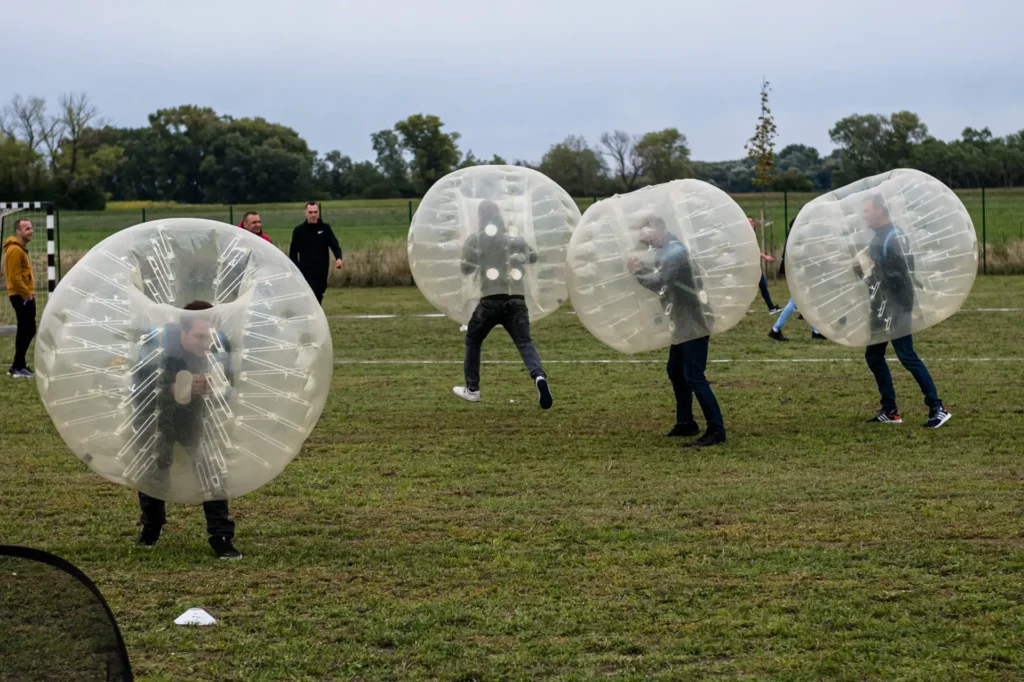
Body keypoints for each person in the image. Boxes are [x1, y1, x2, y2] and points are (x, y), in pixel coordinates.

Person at [133, 301, 242, 559]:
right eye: (199, 336)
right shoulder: (157, 345)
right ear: (182, 331)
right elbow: (139, 389)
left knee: (210, 467)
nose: (206, 343)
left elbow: (228, 389)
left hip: (195, 416)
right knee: (153, 468)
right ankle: (152, 525)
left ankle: (221, 536)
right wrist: (173, 389)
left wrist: (215, 388)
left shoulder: (219, 347)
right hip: (157, 416)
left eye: (211, 336)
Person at [628, 215, 725, 447]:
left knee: (693, 375)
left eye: (646, 229)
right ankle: (686, 423)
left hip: (694, 320)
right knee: (675, 370)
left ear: (660, 228)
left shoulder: (675, 252)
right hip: (683, 321)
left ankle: (717, 430)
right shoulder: (666, 250)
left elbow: (660, 282)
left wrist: (638, 272)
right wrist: (643, 267)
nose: (643, 236)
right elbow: (665, 275)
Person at [856, 194, 950, 428]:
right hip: (883, 305)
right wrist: (861, 270)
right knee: (874, 356)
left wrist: (869, 273)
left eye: (867, 210)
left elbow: (899, 274)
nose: (864, 215)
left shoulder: (893, 237)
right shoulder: (878, 237)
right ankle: (890, 410)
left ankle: (937, 407)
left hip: (896, 304)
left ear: (879, 211)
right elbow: (876, 271)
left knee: (907, 355)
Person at [452, 200, 553, 409]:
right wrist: (518, 256)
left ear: (480, 217)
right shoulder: (513, 237)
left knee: (473, 338)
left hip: (490, 299)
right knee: (524, 342)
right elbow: (533, 256)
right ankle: (539, 377)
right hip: (516, 298)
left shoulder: (477, 239)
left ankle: (472, 389)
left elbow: (465, 269)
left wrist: (477, 257)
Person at [289, 201, 343, 304]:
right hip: (306, 271)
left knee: (319, 295)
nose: (313, 215)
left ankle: (316, 316)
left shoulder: (325, 228)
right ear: (305, 213)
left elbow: (334, 244)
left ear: (318, 213)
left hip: (322, 269)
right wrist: (296, 269)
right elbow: (293, 252)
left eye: (315, 212)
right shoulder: (299, 230)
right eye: (310, 212)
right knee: (310, 296)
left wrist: (338, 258)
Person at [4, 218, 36, 378]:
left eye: (31, 228)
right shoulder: (14, 250)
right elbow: (15, 277)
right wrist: (27, 294)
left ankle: (18, 365)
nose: (31, 231)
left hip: (24, 295)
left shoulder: (20, 249)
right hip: (21, 296)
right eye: (27, 229)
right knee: (27, 329)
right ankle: (18, 366)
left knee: (28, 329)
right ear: (18, 231)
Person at [748, 217, 781, 313]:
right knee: (750, 288)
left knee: (763, 286)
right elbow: (753, 251)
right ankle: (741, 310)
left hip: (754, 266)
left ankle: (771, 308)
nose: (752, 223)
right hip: (749, 267)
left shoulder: (752, 235)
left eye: (752, 221)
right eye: (749, 222)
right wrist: (766, 257)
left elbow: (755, 251)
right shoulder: (746, 236)